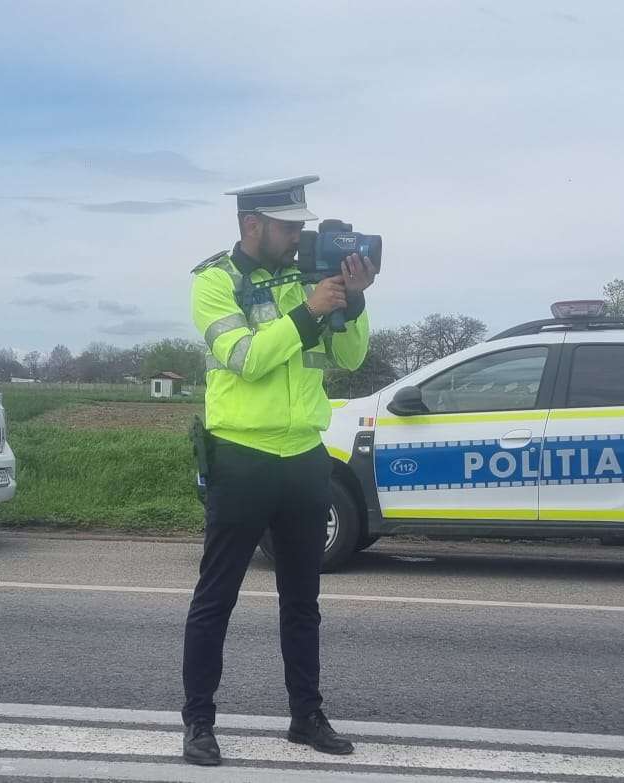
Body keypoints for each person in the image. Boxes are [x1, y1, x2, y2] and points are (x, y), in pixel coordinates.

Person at [181, 175, 376, 766]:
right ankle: (199, 722)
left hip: (304, 457)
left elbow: (349, 358)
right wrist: (308, 312)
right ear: (252, 226)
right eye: (288, 228)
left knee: (303, 598)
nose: (298, 237)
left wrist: (354, 299)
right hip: (241, 455)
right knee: (217, 596)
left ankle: (305, 716)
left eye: (300, 227)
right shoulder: (214, 281)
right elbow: (245, 358)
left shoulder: (307, 276)